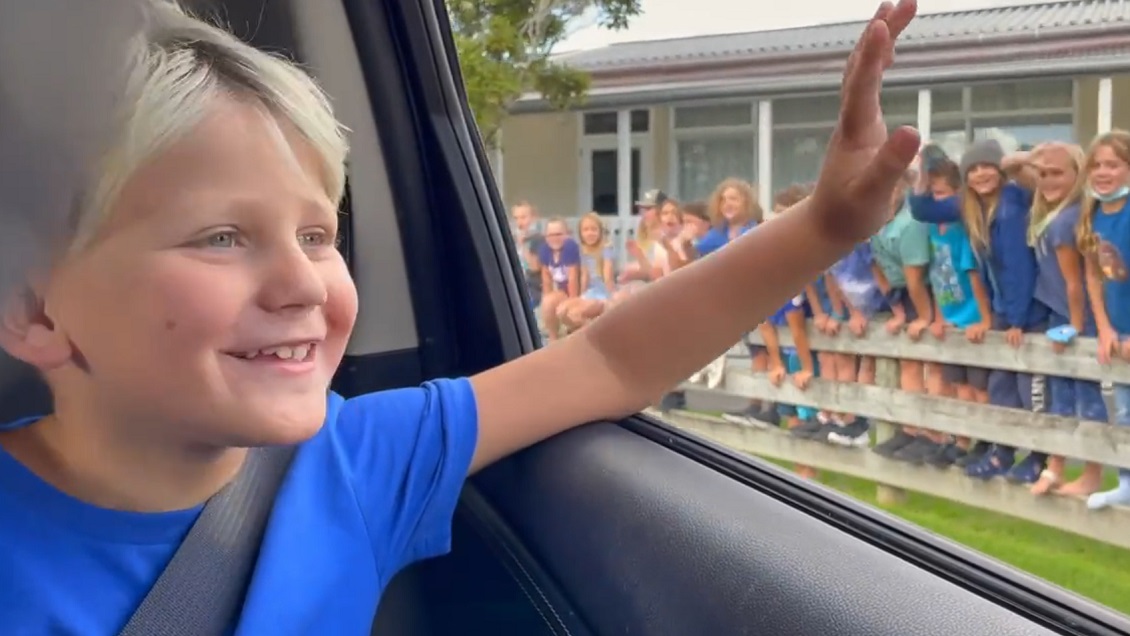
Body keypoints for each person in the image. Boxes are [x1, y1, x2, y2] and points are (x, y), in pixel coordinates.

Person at [0, 1, 923, 632]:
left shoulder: (360, 461)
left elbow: (609, 360)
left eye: (319, 236)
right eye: (220, 237)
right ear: (35, 308)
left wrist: (825, 228)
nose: (304, 283)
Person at [910, 140, 1046, 479]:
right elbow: (923, 210)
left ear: (999, 170)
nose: (981, 174)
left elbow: (1019, 267)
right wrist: (922, 172)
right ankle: (1002, 452)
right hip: (1005, 308)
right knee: (1001, 385)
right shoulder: (971, 206)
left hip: (1026, 311)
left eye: (988, 166)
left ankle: (1040, 457)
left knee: (1030, 387)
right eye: (973, 169)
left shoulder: (1012, 203)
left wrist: (1015, 320)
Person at [1026, 142, 1107, 496]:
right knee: (1059, 393)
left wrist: (1074, 324)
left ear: (1078, 175)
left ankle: (1091, 474)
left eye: (1057, 173)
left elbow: (1076, 283)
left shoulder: (1068, 220)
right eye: (1043, 173)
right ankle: (1055, 465)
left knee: (1086, 396)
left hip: (1078, 318)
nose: (1048, 180)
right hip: (1059, 313)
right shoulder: (1049, 214)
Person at [908, 155, 994, 467]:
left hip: (972, 316)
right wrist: (939, 317)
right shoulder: (933, 231)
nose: (936, 201)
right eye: (932, 194)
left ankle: (984, 441)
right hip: (952, 315)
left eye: (942, 194)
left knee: (977, 387)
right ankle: (961, 439)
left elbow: (972, 274)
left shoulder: (961, 228)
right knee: (957, 385)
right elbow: (935, 275)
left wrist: (984, 319)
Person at [1078, 129, 1130, 510]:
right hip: (1117, 329)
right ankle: (1127, 481)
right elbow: (1093, 277)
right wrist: (1105, 327)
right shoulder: (1092, 214)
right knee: (1125, 411)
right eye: (1096, 165)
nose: (1103, 172)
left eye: (1113, 164)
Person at [868, 169, 935, 457]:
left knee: (930, 363)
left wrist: (924, 316)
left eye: (891, 185)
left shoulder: (910, 223)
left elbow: (916, 278)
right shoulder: (874, 223)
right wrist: (898, 311)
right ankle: (910, 429)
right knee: (908, 362)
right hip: (900, 291)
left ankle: (933, 433)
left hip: (926, 291)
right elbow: (879, 268)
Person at [559, 212, 615, 332]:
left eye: (594, 229)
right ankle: (586, 328)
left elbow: (608, 275)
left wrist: (611, 298)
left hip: (603, 292)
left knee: (576, 313)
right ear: (581, 233)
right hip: (590, 291)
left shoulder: (606, 248)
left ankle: (588, 332)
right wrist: (581, 295)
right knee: (562, 311)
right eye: (586, 230)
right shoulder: (582, 250)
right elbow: (585, 276)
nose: (590, 233)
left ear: (600, 231)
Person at [538, 218, 581, 341]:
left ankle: (573, 332)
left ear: (567, 234)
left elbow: (573, 278)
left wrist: (573, 302)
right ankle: (553, 338)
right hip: (563, 290)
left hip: (580, 289)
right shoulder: (545, 249)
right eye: (550, 235)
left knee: (566, 311)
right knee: (548, 302)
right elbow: (546, 279)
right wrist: (547, 302)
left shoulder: (570, 246)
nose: (554, 238)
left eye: (558, 234)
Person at [511, 201, 545, 309]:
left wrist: (523, 245)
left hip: (531, 287)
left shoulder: (538, 239)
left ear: (533, 218)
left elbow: (535, 267)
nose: (519, 222)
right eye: (516, 218)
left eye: (523, 217)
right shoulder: (512, 238)